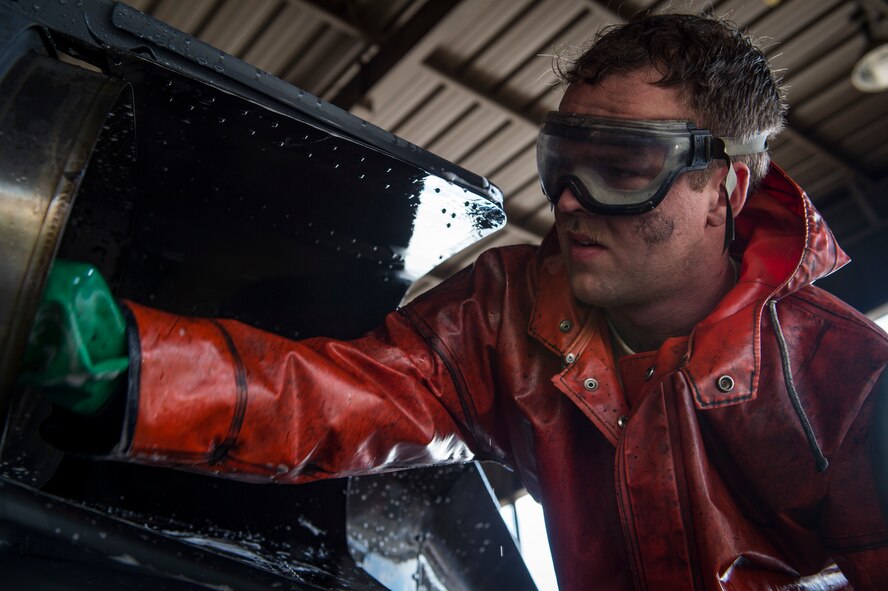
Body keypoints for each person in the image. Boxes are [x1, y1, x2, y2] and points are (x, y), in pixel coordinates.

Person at [21, 12, 888, 591]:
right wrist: (135, 367)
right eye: (563, 163)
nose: (573, 200)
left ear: (726, 189)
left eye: (621, 167)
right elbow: (344, 394)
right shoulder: (505, 314)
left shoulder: (846, 385)